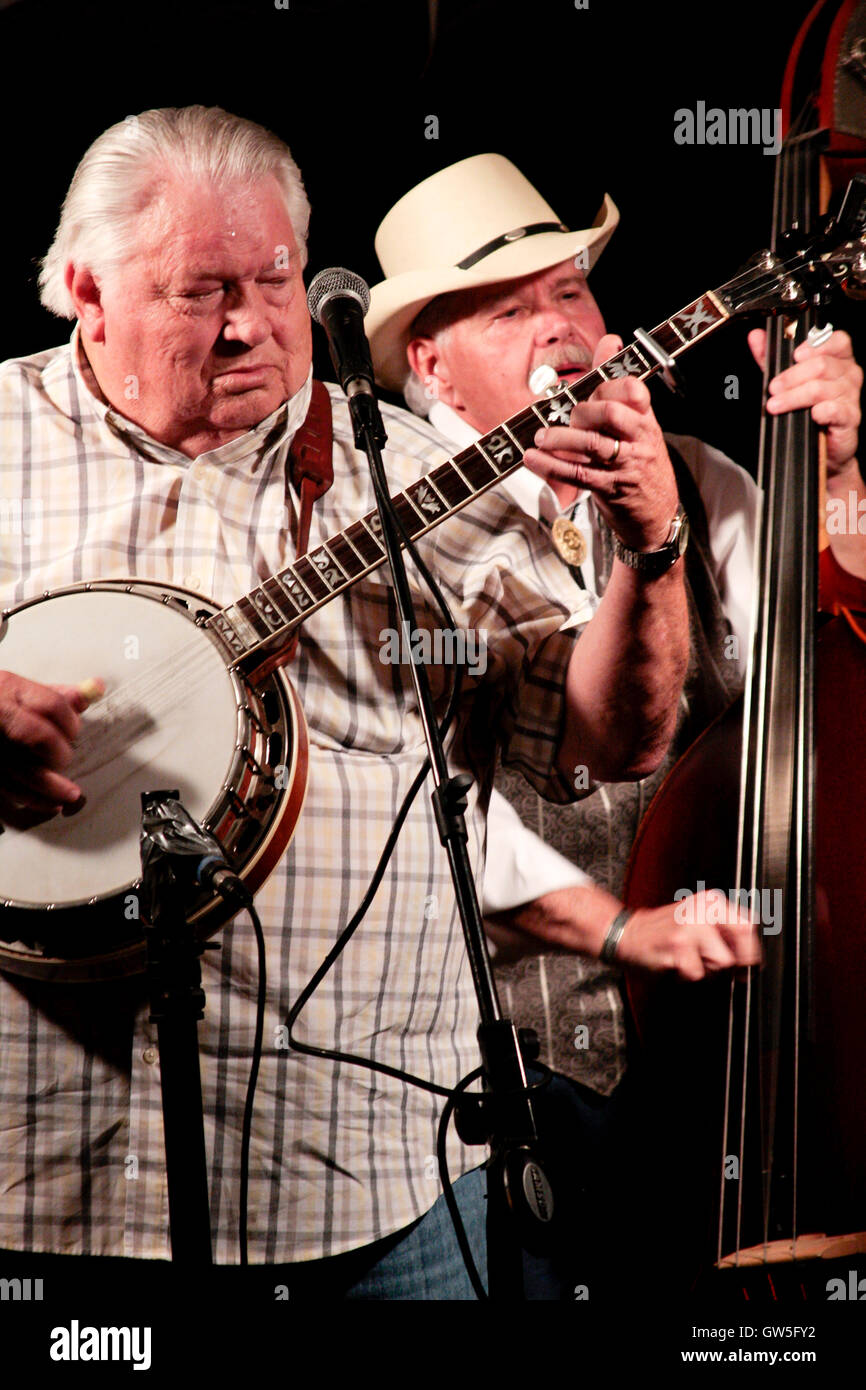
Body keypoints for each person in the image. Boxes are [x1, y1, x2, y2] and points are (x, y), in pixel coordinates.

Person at [0, 109, 729, 1302]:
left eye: (276, 278)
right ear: (83, 286)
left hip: (361, 1181)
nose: (249, 323)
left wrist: (650, 550)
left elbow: (610, 737)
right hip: (37, 1167)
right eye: (201, 291)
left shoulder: (412, 478)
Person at [365, 153, 865, 1296]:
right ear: (430, 364)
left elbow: (840, 642)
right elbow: (420, 806)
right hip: (505, 1087)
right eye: (510, 307)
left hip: (720, 1050)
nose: (564, 328)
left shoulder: (709, 482)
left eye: (571, 291)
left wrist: (835, 476)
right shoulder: (392, 528)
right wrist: (619, 932)